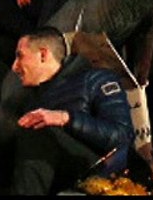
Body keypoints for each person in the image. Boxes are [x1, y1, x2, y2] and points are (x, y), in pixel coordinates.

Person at [11, 27, 133, 194]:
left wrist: (66, 118)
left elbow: (122, 136)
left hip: (100, 176)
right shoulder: (29, 100)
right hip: (58, 181)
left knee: (38, 132)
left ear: (43, 55)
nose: (14, 67)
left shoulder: (95, 80)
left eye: (20, 56)